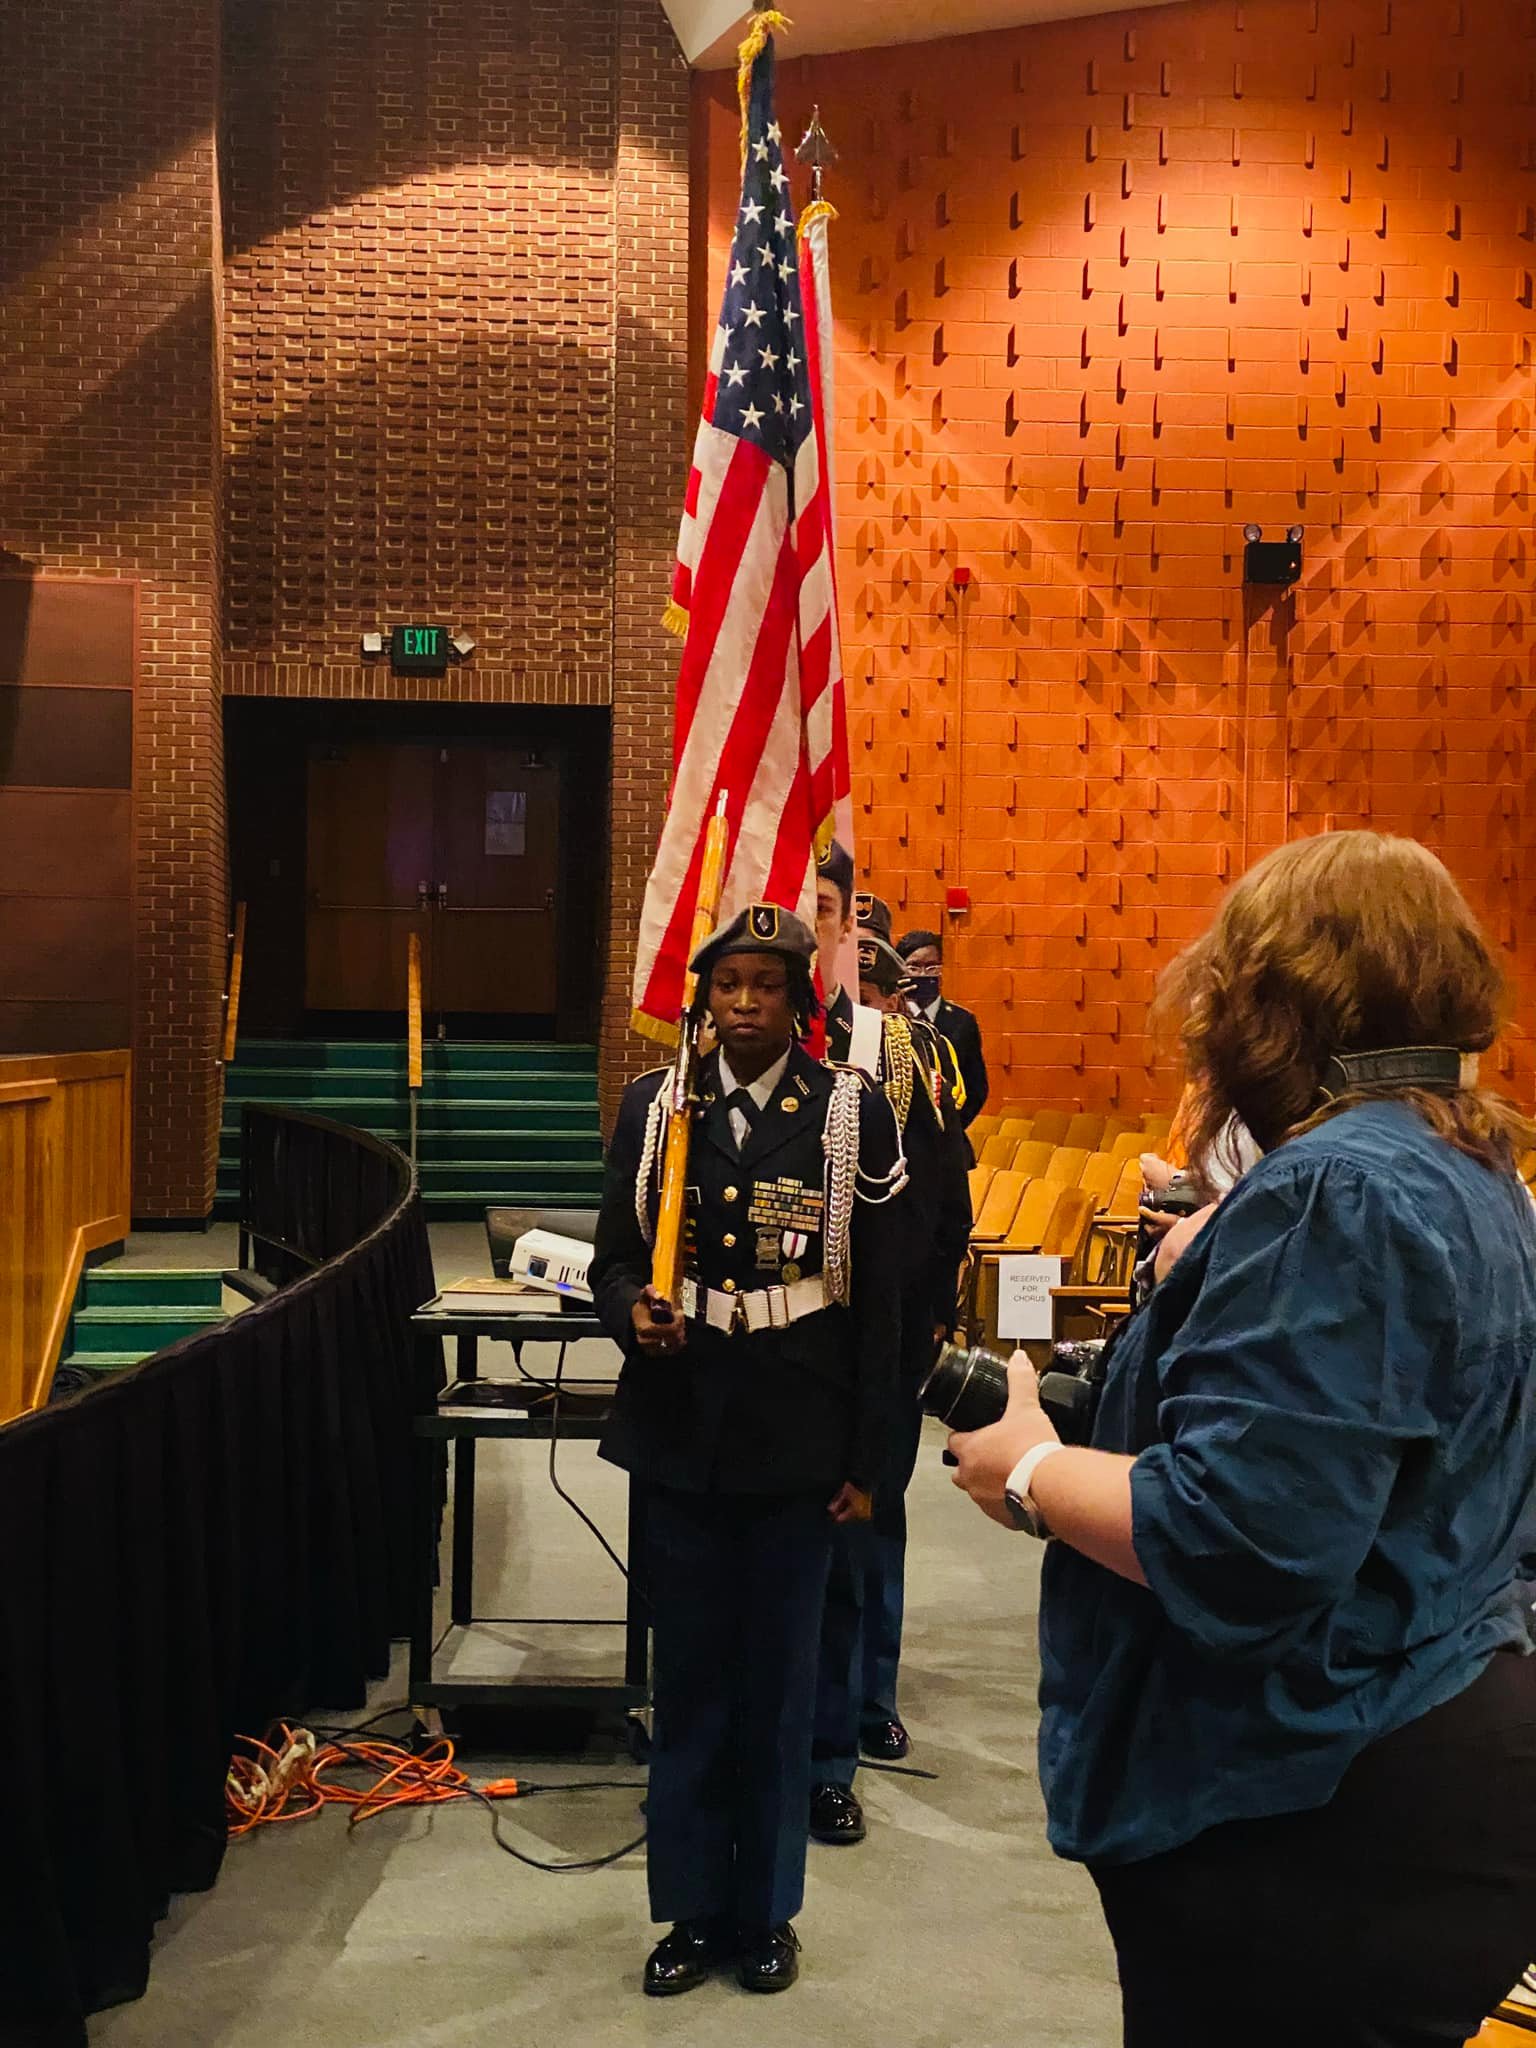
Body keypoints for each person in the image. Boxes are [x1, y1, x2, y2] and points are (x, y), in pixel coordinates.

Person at [948, 830, 1536, 2048]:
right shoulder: (1469, 1165)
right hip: (1438, 1736)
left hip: (1316, 1800)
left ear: (1278, 1000)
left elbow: (1243, 1542)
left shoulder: (1341, 1189)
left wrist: (1032, 1472)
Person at [590, 902, 904, 1998]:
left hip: (798, 1443)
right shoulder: (656, 1106)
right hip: (684, 1436)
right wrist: (633, 1310)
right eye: (728, 985)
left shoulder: (849, 1117)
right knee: (691, 1688)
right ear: (705, 996)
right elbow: (613, 1259)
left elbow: (888, 1307)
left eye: (766, 985)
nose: (744, 1004)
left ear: (797, 997)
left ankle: (766, 1911)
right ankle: (688, 1908)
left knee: (778, 1690)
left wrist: (871, 1461)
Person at [808, 848, 973, 1843]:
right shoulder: (749, 1031)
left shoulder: (901, 1048)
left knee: (872, 1519)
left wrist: (928, 1319)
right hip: (780, 1344)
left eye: (832, 919)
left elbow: (942, 1194)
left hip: (883, 1328)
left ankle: (868, 1697)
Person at [894, 927, 989, 1127]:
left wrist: (952, 1127)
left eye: (931, 967)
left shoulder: (962, 1022)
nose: (922, 973)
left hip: (949, 1133)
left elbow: (977, 1088)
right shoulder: (890, 1017)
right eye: (913, 966)